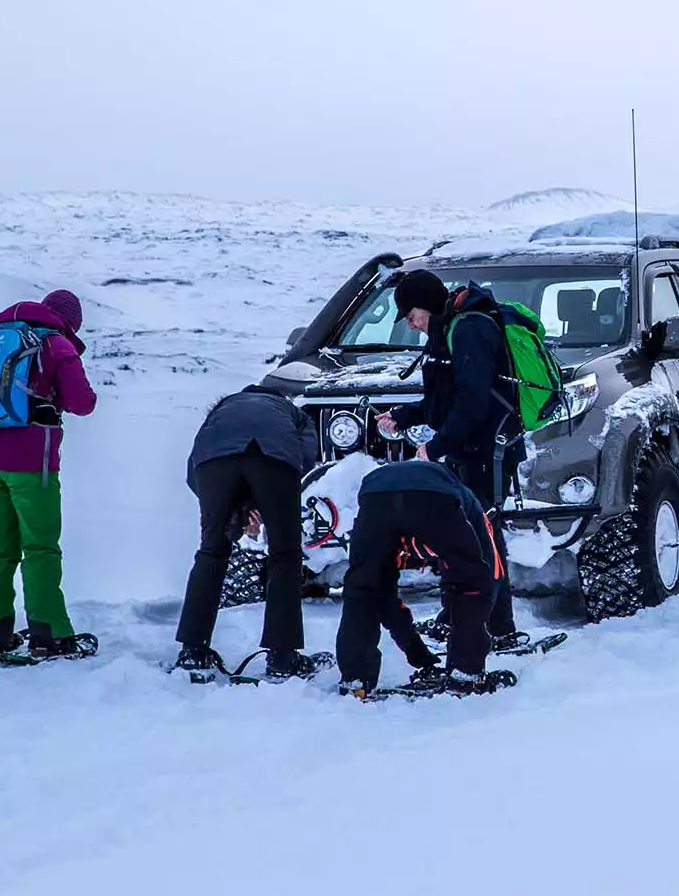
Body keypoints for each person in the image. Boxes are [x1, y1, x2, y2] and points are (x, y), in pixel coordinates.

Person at [375, 270, 523, 647]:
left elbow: (473, 402)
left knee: (484, 535)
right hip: (465, 450)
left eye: (410, 317)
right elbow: (444, 399)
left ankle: (498, 627)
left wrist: (436, 445)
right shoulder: (448, 331)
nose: (411, 326)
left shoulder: (469, 329)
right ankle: (458, 615)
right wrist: (403, 415)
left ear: (424, 305)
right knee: (460, 534)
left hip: (486, 451)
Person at [0, 290, 98, 656]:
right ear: (71, 321)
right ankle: (51, 633)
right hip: (31, 463)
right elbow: (83, 403)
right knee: (40, 547)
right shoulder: (57, 345)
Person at [173, 385, 323, 679]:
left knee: (211, 551)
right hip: (274, 459)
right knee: (285, 553)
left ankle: (192, 649)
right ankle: (283, 656)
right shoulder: (293, 413)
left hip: (212, 463)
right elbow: (305, 461)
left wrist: (236, 510)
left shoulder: (221, 411)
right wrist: (263, 504)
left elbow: (194, 471)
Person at [334, 458, 512, 696]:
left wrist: (419, 656)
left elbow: (383, 597)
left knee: (364, 589)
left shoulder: (460, 506)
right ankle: (465, 677)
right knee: (471, 583)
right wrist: (487, 628)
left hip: (374, 495)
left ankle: (355, 681)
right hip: (429, 493)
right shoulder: (465, 509)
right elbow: (491, 574)